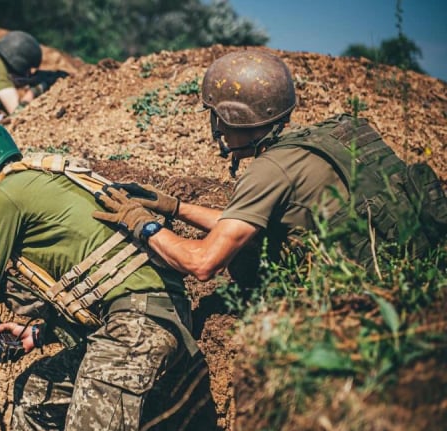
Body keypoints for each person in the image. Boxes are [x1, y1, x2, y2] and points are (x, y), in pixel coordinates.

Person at [0, 118, 199, 431]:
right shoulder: (40, 178)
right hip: (145, 317)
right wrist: (40, 333)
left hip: (137, 325)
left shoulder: (3, 199)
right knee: (35, 396)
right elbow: (93, 272)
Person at [93, 49, 447, 286]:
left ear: (229, 116)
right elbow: (243, 224)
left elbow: (203, 263)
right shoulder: (331, 135)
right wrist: (176, 208)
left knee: (245, 263)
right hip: (418, 265)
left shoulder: (269, 171)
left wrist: (144, 224)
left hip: (364, 296)